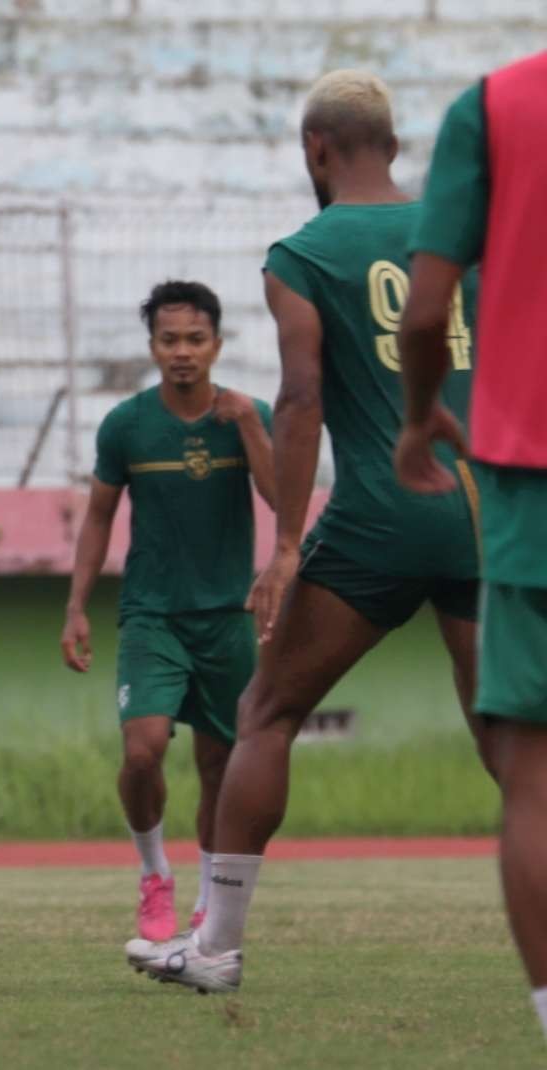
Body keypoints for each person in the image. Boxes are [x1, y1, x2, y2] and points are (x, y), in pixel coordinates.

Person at [133, 70, 485, 994]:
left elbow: (301, 398)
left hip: (377, 519)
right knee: (515, 743)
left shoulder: (302, 252)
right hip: (483, 510)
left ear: (316, 150)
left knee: (268, 713)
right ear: (396, 148)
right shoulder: (465, 240)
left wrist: (287, 546)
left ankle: (214, 949)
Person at [394, 49, 547, 1040]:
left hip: (527, 475)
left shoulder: (492, 104)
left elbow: (423, 310)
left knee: (528, 769)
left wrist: (416, 418)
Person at [62, 280, 274, 945]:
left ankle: (211, 901)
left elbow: (279, 496)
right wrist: (75, 606)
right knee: (143, 748)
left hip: (227, 617)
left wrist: (245, 425)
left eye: (195, 339)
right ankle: (155, 874)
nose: (182, 352)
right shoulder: (126, 424)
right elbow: (98, 516)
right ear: (152, 345)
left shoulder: (251, 414)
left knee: (221, 767)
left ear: (216, 343)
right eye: (168, 340)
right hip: (152, 616)